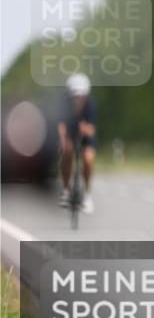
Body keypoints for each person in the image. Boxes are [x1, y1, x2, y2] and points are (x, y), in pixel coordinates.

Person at [58, 73, 96, 213]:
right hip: (69, 133)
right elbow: (61, 125)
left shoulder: (90, 105)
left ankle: (87, 195)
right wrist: (63, 139)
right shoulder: (64, 104)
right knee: (66, 153)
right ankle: (66, 190)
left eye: (81, 96)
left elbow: (92, 130)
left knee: (88, 159)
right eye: (75, 96)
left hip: (85, 136)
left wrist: (84, 128)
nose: (78, 99)